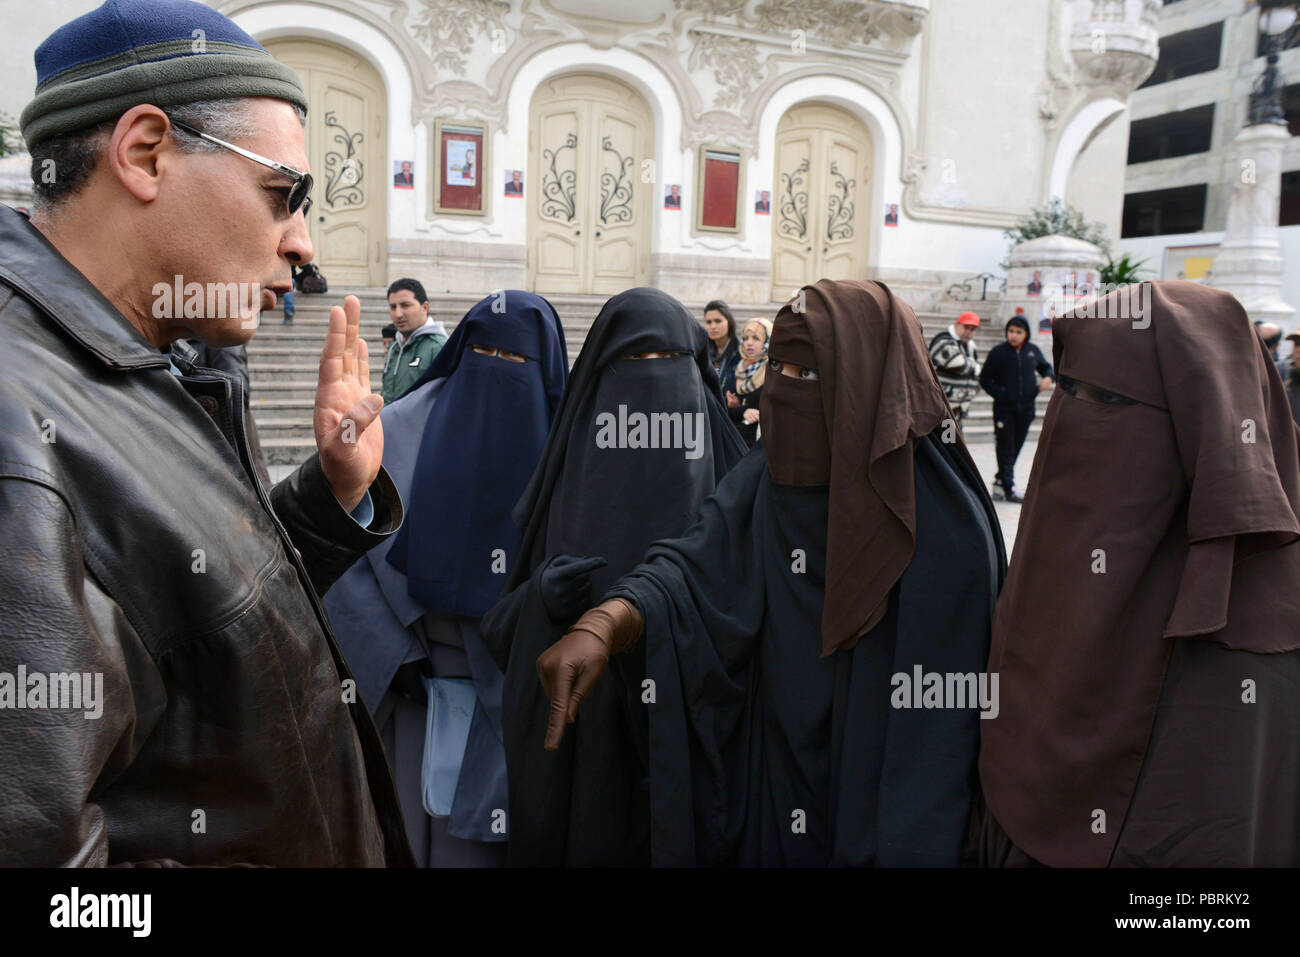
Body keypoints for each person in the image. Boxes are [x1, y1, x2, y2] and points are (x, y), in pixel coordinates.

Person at [0, 0, 412, 866]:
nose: (303, 243)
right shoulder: (19, 421)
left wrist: (331, 495)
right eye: (283, 194)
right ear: (146, 153)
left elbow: (187, 625)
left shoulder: (163, 357)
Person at [534, 279, 1006, 866]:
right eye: (776, 366)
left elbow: (939, 743)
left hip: (874, 809)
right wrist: (607, 621)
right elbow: (695, 562)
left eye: (807, 374)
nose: (783, 390)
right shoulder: (766, 478)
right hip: (766, 787)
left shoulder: (943, 529)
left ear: (871, 391)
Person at [977, 281, 1300, 867]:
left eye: (1107, 401)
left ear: (1208, 420)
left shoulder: (1258, 636)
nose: (1073, 413)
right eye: (1068, 391)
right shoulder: (1066, 559)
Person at [479, 287, 749, 866]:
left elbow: (753, 614)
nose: (653, 391)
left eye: (670, 366)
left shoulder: (737, 485)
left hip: (688, 750)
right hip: (583, 754)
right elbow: (499, 628)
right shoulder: (568, 472)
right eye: (635, 366)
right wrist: (542, 599)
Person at [323, 291, 568, 867]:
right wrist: (399, 656)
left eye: (517, 363)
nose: (498, 372)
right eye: (483, 351)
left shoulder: (568, 447)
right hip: (417, 686)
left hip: (523, 693)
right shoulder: (400, 429)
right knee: (410, 832)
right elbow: (351, 555)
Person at [979, 315, 1053, 503]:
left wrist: (1048, 378)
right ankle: (1009, 487)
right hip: (1004, 410)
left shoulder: (1032, 351)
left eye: (1018, 332)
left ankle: (1000, 479)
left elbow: (1047, 368)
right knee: (1005, 447)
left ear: (1026, 334)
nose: (1014, 335)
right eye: (1011, 331)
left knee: (1016, 446)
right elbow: (985, 379)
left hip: (1026, 409)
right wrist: (1001, 394)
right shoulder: (998, 352)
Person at [382, 277, 448, 403]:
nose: (398, 314)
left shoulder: (439, 347)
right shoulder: (394, 347)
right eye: (393, 307)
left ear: (425, 307)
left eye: (405, 305)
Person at [928, 311, 981, 431]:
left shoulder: (969, 346)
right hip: (943, 409)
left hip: (958, 410)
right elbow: (958, 365)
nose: (969, 332)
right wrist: (974, 367)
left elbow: (976, 373)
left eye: (972, 329)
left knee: (953, 444)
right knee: (947, 444)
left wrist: (975, 388)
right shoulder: (943, 340)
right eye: (966, 327)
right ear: (957, 325)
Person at [726, 316, 772, 447]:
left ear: (767, 341)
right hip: (736, 441)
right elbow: (723, 409)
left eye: (756, 338)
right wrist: (737, 408)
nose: (749, 343)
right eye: (745, 338)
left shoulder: (774, 372)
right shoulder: (736, 367)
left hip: (762, 445)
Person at [702, 299, 741, 393]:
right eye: (709, 322)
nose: (713, 326)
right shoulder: (702, 350)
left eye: (718, 321)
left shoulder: (740, 352)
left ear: (729, 322)